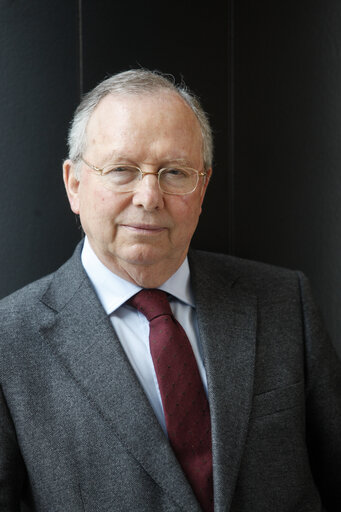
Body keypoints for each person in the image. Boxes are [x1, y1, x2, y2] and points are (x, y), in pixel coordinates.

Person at [0, 69, 340, 512]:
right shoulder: (9, 343)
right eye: (121, 169)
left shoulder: (282, 301)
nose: (149, 197)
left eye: (175, 172)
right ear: (74, 184)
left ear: (203, 188)